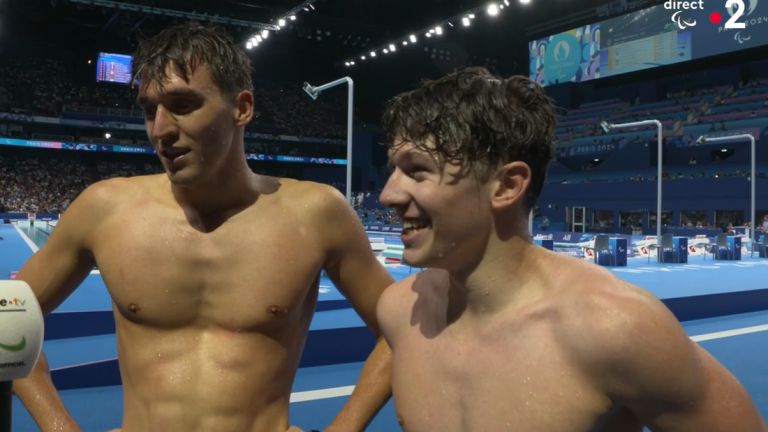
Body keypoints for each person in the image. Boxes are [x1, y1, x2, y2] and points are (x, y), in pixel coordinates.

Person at [12, 22, 394, 432]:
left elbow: (399, 332)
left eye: (183, 104)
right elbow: (5, 319)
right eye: (148, 110)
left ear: (241, 108)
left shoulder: (316, 214)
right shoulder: (103, 209)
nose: (160, 130)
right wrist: (59, 427)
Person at [375, 67, 767, 431]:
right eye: (392, 169)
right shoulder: (399, 310)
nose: (387, 195)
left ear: (507, 186)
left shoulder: (614, 330)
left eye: (416, 170)